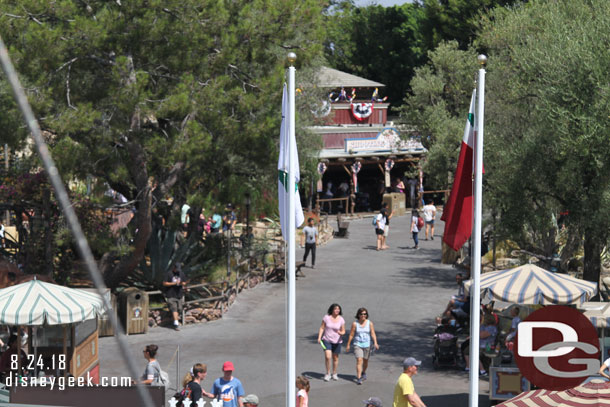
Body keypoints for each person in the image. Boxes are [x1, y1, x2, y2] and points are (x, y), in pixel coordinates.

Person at [346, 307, 379, 385]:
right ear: (358, 315)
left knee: (365, 361)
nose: (363, 315)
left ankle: (363, 372)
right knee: (359, 360)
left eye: (365, 314)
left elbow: (373, 333)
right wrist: (348, 344)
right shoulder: (355, 324)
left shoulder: (369, 323)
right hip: (358, 344)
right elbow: (351, 335)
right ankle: (359, 377)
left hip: (367, 344)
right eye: (361, 314)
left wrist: (375, 342)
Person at [317, 303, 346, 381]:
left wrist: (341, 333)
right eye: (335, 309)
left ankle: (334, 373)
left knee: (335, 358)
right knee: (328, 356)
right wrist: (319, 337)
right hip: (327, 340)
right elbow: (322, 327)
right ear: (332, 310)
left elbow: (343, 331)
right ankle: (328, 373)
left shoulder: (341, 319)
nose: (337, 310)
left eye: (338, 309)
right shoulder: (326, 317)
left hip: (337, 341)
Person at [163, 263, 187, 331]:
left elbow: (184, 282)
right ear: (174, 268)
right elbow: (164, 283)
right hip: (171, 294)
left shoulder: (181, 273)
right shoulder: (169, 274)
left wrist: (182, 283)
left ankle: (176, 320)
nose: (177, 271)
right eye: (176, 269)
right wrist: (174, 283)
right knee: (174, 309)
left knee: (179, 308)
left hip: (179, 294)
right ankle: (176, 324)